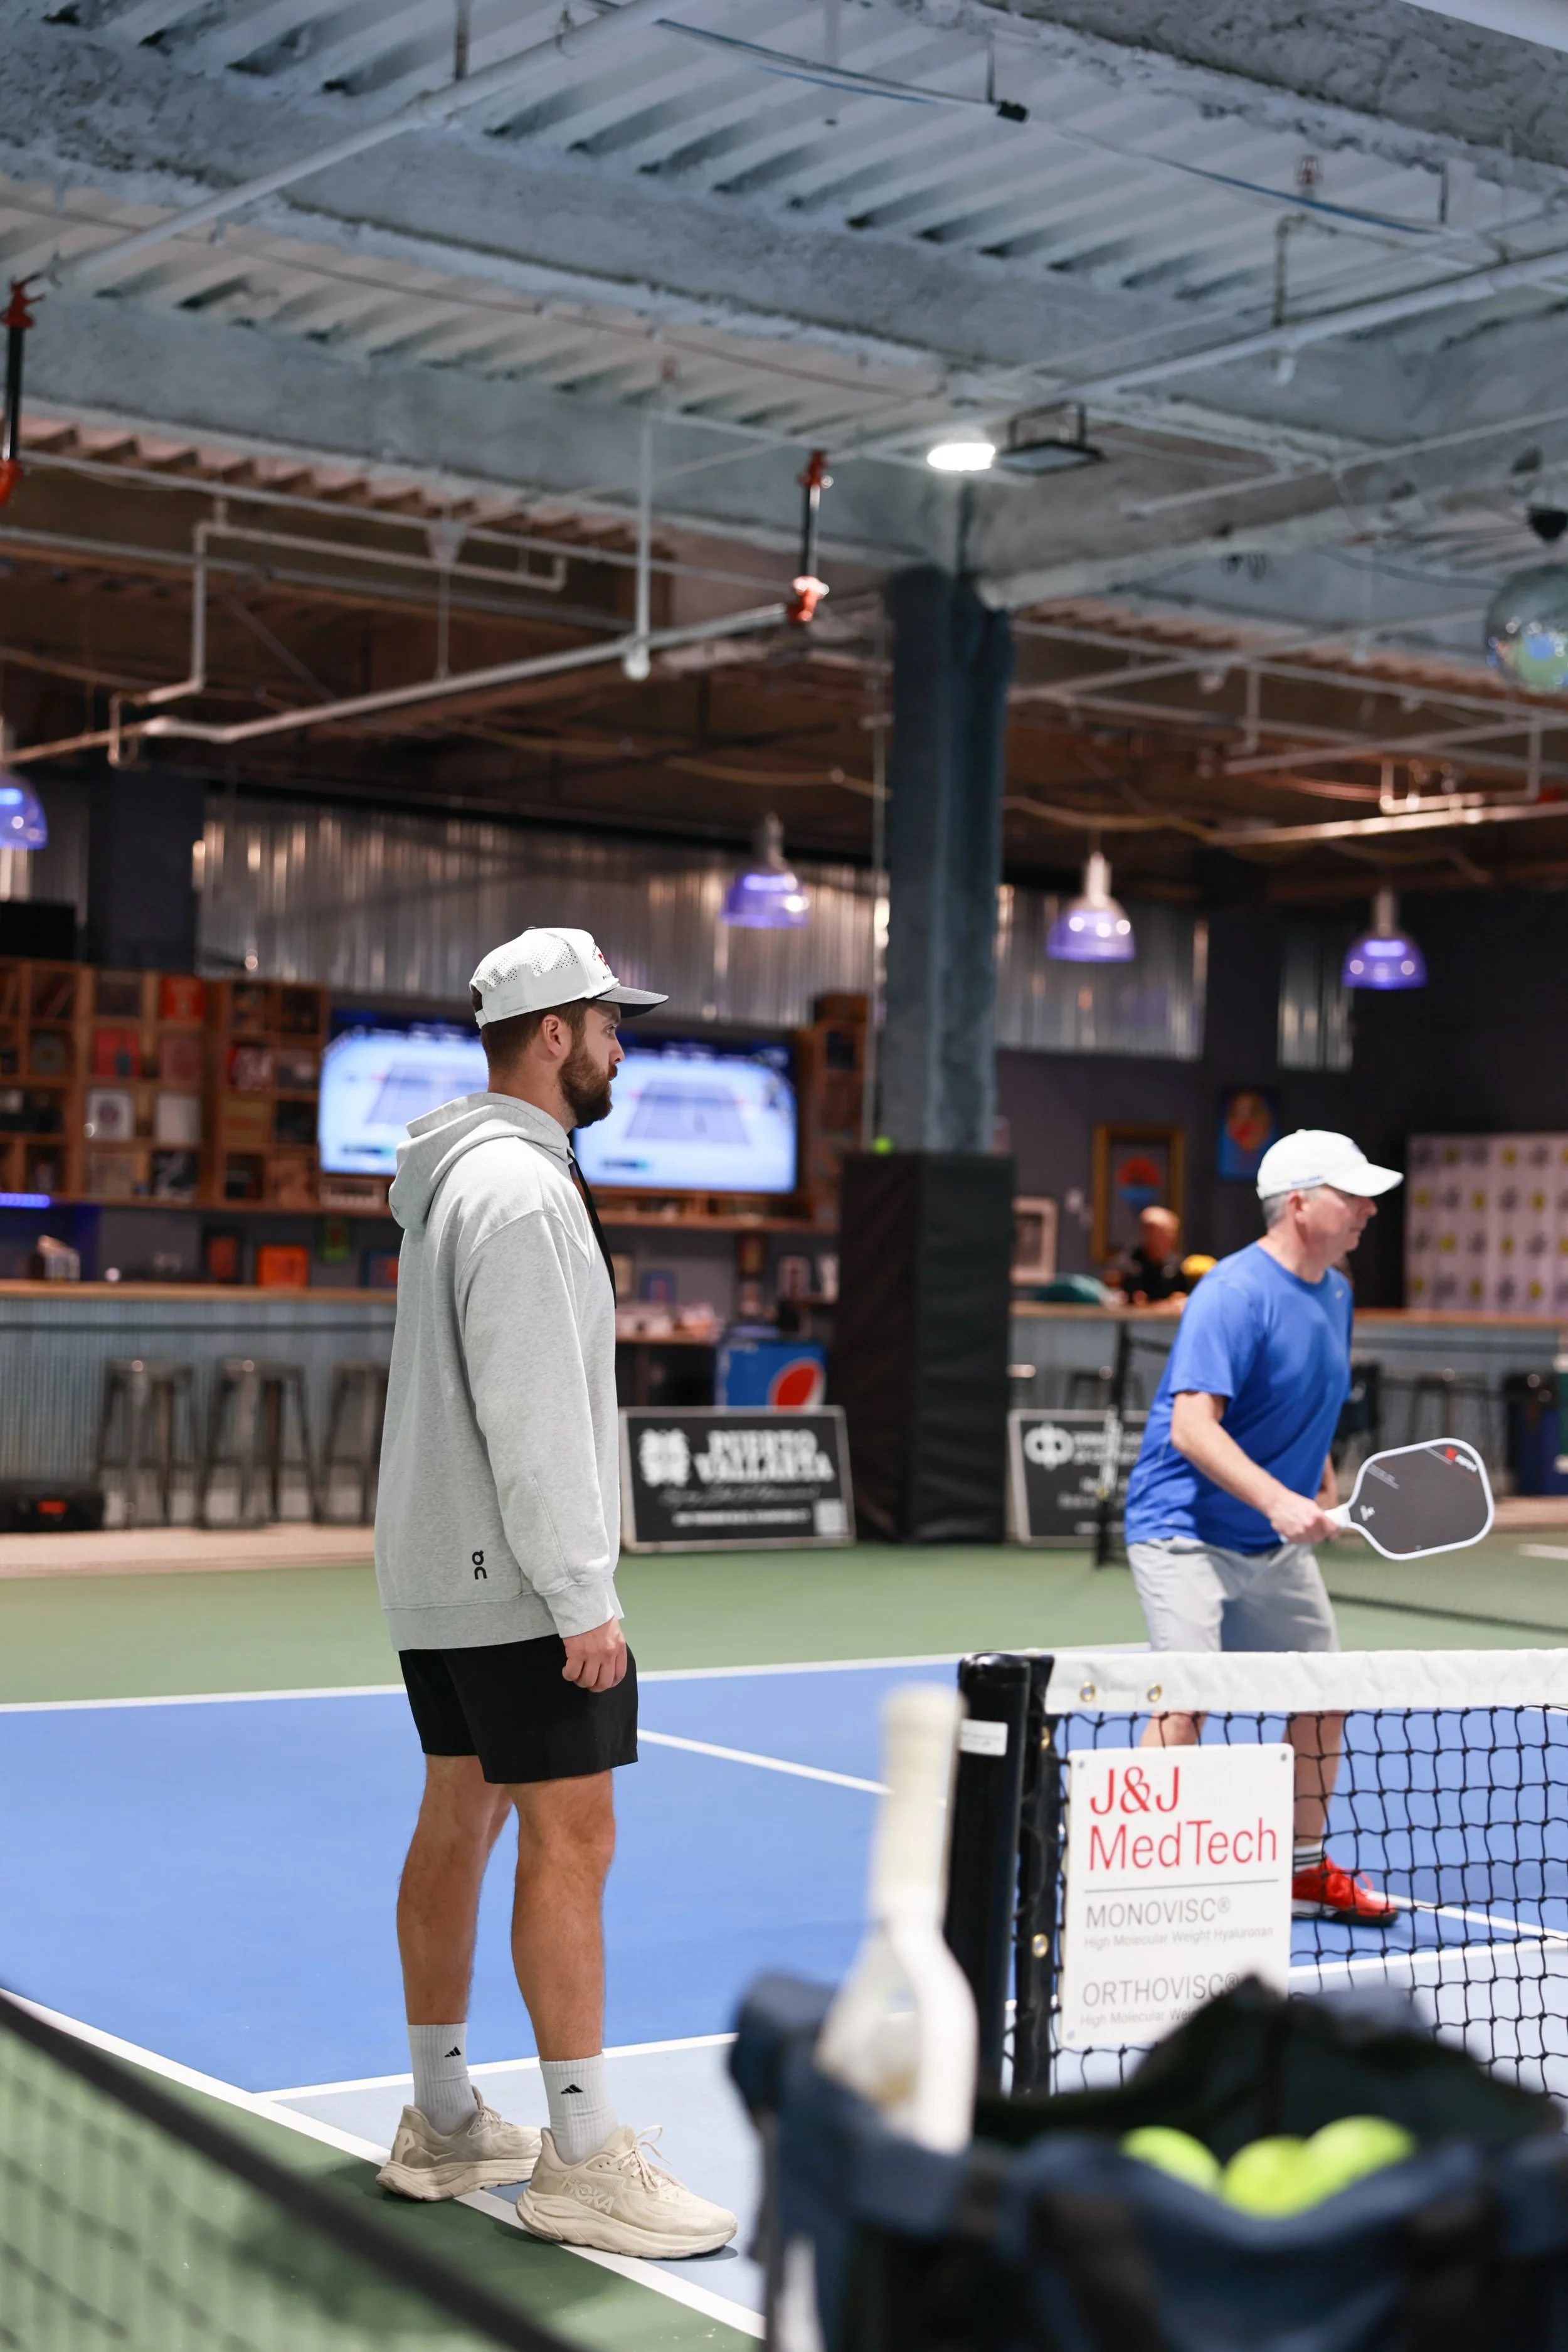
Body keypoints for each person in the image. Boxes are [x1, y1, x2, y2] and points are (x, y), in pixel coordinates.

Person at [372, 924, 737, 2259]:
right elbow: (530, 1418)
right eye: (606, 1023)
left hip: (438, 1573)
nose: (619, 1046)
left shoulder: (458, 1177)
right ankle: (582, 2160)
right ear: (551, 1036)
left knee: (460, 1816)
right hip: (516, 1580)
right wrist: (583, 1594)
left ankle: (445, 2120)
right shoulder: (522, 1195)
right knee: (572, 1839)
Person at [1121, 1130, 1401, 1928]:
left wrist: (1319, 1484)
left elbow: (1307, 1402)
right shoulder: (1232, 1293)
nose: (1368, 1209)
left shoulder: (1336, 1290)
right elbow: (1192, 1431)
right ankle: (1135, 1870)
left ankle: (1301, 1870)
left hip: (1269, 1541)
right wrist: (1278, 1500)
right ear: (1301, 1203)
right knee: (1188, 1696)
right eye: (1352, 1196)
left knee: (1326, 1692)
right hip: (1183, 1529)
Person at [1107, 1204, 1191, 1308]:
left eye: (1173, 1233)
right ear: (1146, 1235)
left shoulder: (1179, 1266)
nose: (1170, 1239)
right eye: (1163, 1234)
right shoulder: (1125, 1267)